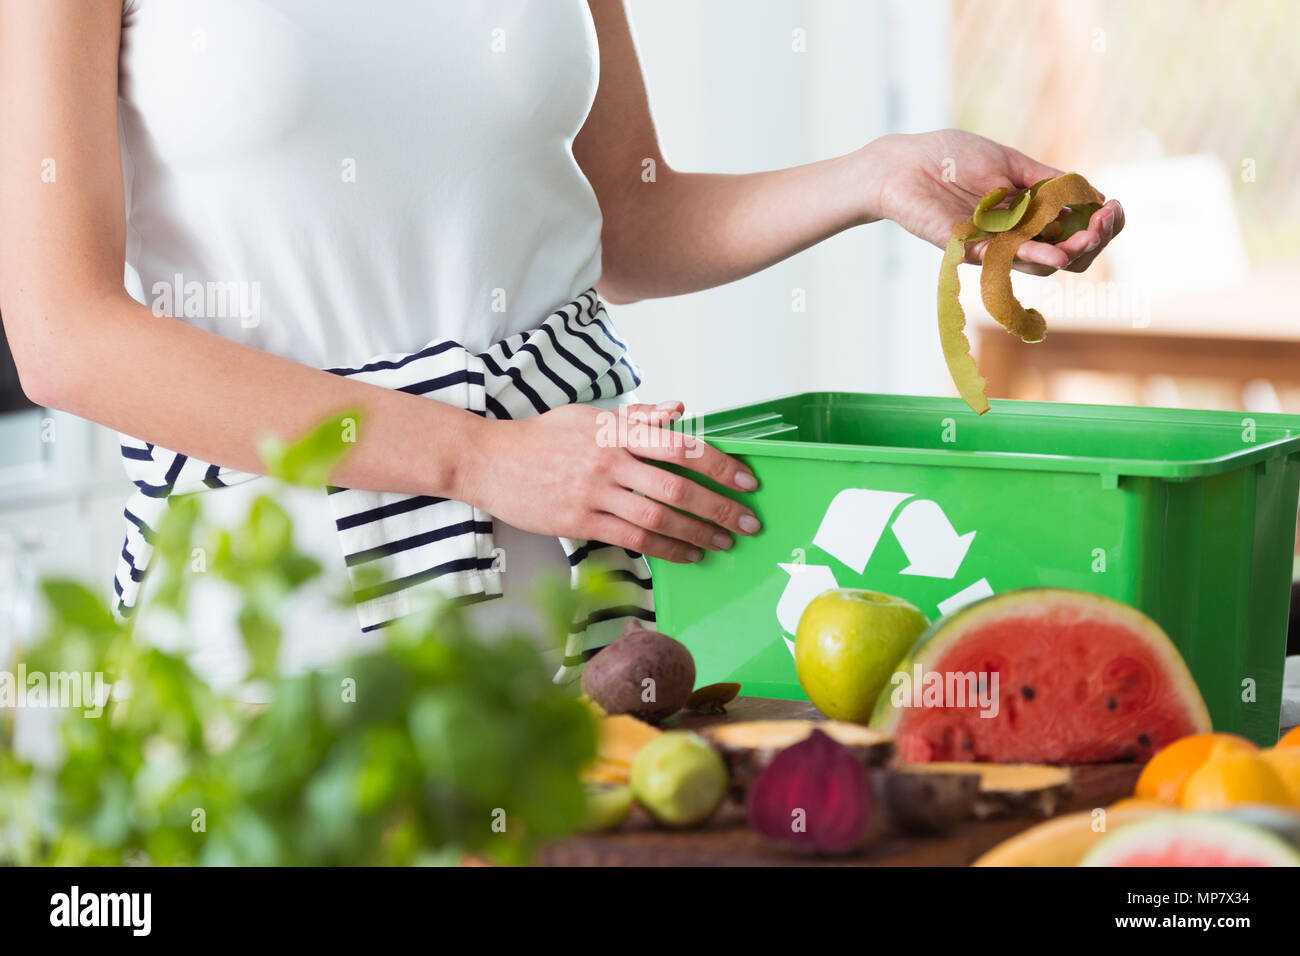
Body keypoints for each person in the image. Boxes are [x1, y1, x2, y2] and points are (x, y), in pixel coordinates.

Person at [0, 1, 1122, 681]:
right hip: (279, 607)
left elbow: (627, 224)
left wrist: (876, 176)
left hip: (596, 593)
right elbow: (66, 332)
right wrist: (476, 458)